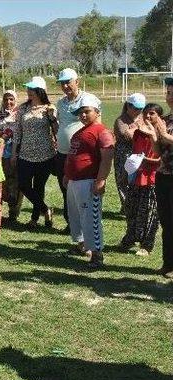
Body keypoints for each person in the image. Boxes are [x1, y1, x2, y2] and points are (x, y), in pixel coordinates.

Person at [63, 94, 114, 268]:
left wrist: (101, 180)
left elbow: (107, 158)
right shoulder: (80, 131)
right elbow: (73, 155)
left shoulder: (102, 131)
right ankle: (82, 246)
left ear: (97, 111)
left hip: (88, 181)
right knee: (75, 216)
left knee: (90, 218)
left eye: (87, 111)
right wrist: (67, 175)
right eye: (80, 113)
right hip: (74, 181)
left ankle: (97, 254)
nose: (83, 115)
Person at [11, 76, 57, 228]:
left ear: (40, 91)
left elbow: (56, 131)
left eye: (32, 89)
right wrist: (13, 153)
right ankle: (46, 209)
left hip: (45, 155)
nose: (29, 91)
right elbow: (17, 132)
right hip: (25, 154)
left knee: (39, 187)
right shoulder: (23, 108)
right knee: (23, 185)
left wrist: (52, 118)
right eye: (28, 89)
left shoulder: (49, 108)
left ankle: (34, 219)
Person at [120, 103, 162, 256]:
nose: (148, 117)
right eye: (146, 113)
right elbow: (135, 151)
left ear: (159, 116)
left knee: (150, 213)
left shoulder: (161, 134)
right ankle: (130, 238)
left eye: (152, 114)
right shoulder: (138, 133)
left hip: (152, 178)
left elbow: (161, 159)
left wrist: (146, 160)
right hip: (136, 176)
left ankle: (147, 245)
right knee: (131, 209)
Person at [55, 68, 94, 229]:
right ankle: (71, 222)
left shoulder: (88, 99)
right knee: (66, 190)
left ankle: (83, 225)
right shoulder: (60, 102)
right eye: (62, 83)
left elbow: (96, 125)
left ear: (77, 82)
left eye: (68, 82)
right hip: (63, 153)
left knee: (81, 191)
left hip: (81, 155)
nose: (65, 86)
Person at [154, 77, 173, 278]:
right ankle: (168, 264)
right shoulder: (166, 120)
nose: (170, 97)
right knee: (166, 223)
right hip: (163, 176)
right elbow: (159, 151)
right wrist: (154, 137)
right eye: (168, 93)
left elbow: (168, 139)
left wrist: (164, 135)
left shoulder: (164, 125)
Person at [0, 90, 23, 222]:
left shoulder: (20, 115)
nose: (8, 102)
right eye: (6, 99)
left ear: (15, 100)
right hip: (0, 155)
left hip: (17, 154)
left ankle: (13, 212)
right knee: (0, 182)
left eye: (11, 99)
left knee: (15, 183)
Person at [113, 93, 145, 214]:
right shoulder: (120, 121)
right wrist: (141, 128)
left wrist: (136, 128)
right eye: (136, 108)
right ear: (128, 106)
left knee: (137, 180)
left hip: (139, 153)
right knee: (123, 180)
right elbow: (127, 135)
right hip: (123, 154)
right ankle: (127, 206)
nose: (139, 111)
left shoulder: (143, 118)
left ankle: (133, 205)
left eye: (141, 108)